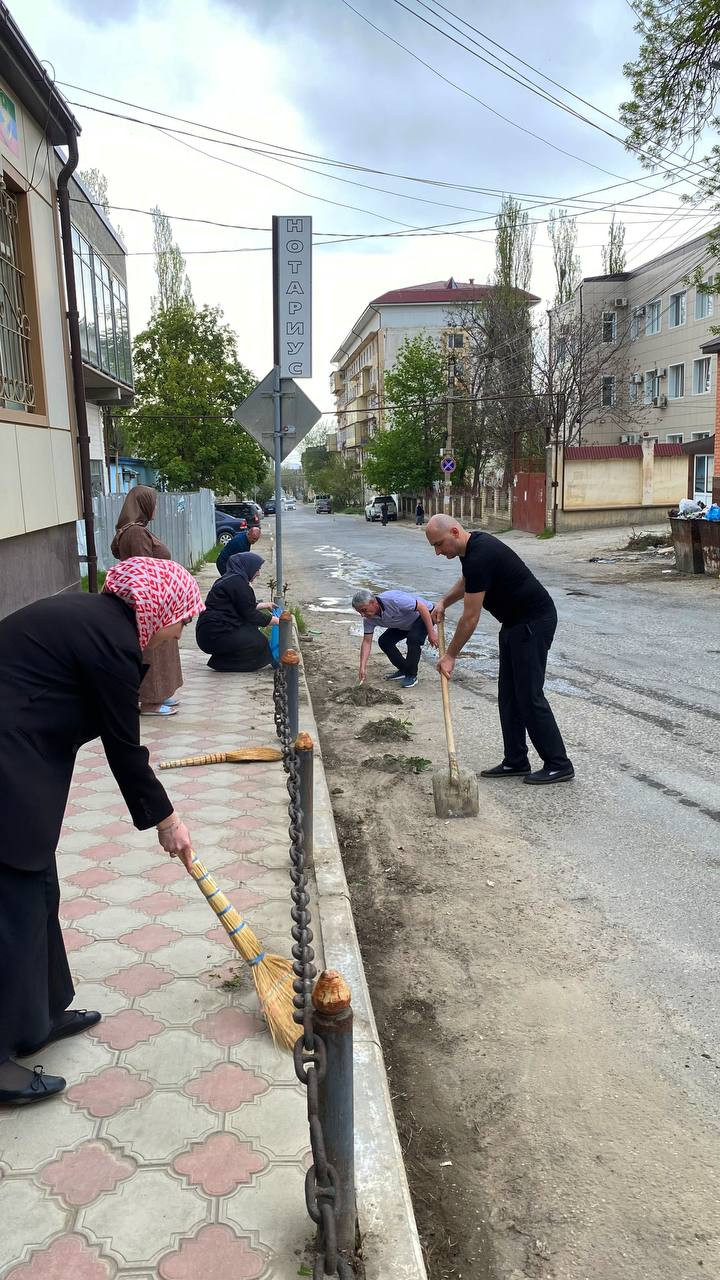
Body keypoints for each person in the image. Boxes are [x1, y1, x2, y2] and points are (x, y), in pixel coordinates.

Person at [0, 557, 204, 1106]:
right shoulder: (111, 639)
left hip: (24, 755)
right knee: (10, 902)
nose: (178, 634)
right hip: (7, 759)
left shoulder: (103, 622)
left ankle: (39, 1016)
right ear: (157, 609)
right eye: (180, 621)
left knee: (37, 886)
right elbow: (124, 746)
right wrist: (168, 820)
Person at [425, 515, 574, 785]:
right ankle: (516, 760)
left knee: (529, 696)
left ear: (455, 532)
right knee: (508, 696)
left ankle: (558, 764)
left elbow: (470, 617)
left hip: (533, 622)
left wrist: (450, 656)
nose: (437, 552)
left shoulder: (481, 554)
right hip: (514, 623)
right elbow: (469, 580)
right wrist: (444, 601)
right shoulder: (471, 549)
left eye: (438, 544)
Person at [111, 485, 182, 717]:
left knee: (163, 648)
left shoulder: (135, 530)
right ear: (143, 505)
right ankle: (150, 702)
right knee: (154, 651)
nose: (156, 507)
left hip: (155, 599)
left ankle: (159, 694)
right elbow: (144, 569)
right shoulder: (136, 533)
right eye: (154, 502)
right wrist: (157, 602)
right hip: (150, 602)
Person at [195, 552, 277, 672]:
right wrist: (275, 620)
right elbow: (249, 614)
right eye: (257, 569)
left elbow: (241, 605)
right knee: (258, 642)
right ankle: (222, 664)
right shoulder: (238, 583)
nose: (258, 573)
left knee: (252, 631)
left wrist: (265, 605)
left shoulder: (232, 579)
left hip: (210, 631)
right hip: (214, 633)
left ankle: (222, 660)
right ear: (248, 566)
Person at [352, 587, 437, 689]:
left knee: (413, 638)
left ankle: (411, 675)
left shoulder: (393, 600)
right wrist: (362, 667)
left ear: (373, 602)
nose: (362, 615)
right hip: (404, 623)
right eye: (359, 612)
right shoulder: (368, 619)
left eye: (364, 610)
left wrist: (431, 633)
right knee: (385, 641)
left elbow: (422, 607)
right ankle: (404, 669)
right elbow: (366, 642)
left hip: (425, 614)